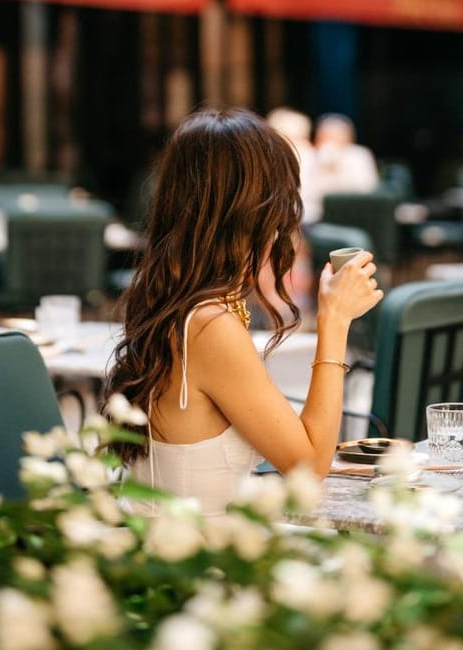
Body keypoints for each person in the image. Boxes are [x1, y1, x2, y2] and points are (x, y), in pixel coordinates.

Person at [105, 107, 382, 515]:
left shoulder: (170, 295)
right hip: (193, 563)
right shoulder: (209, 324)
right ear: (253, 211)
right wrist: (335, 320)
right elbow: (309, 466)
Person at [312, 113, 379, 209]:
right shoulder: (312, 155)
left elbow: (367, 188)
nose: (330, 141)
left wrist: (337, 168)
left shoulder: (359, 155)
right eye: (325, 136)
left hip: (354, 209)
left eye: (335, 136)